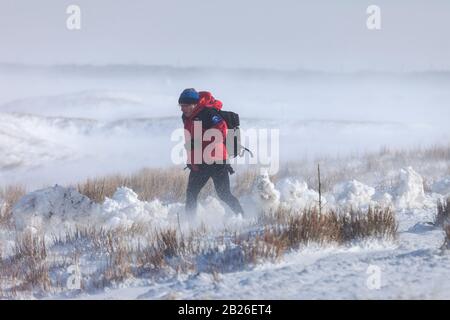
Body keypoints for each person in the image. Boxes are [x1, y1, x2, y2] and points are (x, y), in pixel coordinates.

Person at [179, 88, 244, 216]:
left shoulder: (208, 113)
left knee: (224, 194)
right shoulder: (186, 117)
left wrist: (199, 140)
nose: (182, 109)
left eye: (185, 106)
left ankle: (243, 217)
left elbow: (221, 130)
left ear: (194, 104)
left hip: (216, 161)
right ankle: (189, 224)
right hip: (199, 163)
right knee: (191, 193)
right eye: (181, 106)